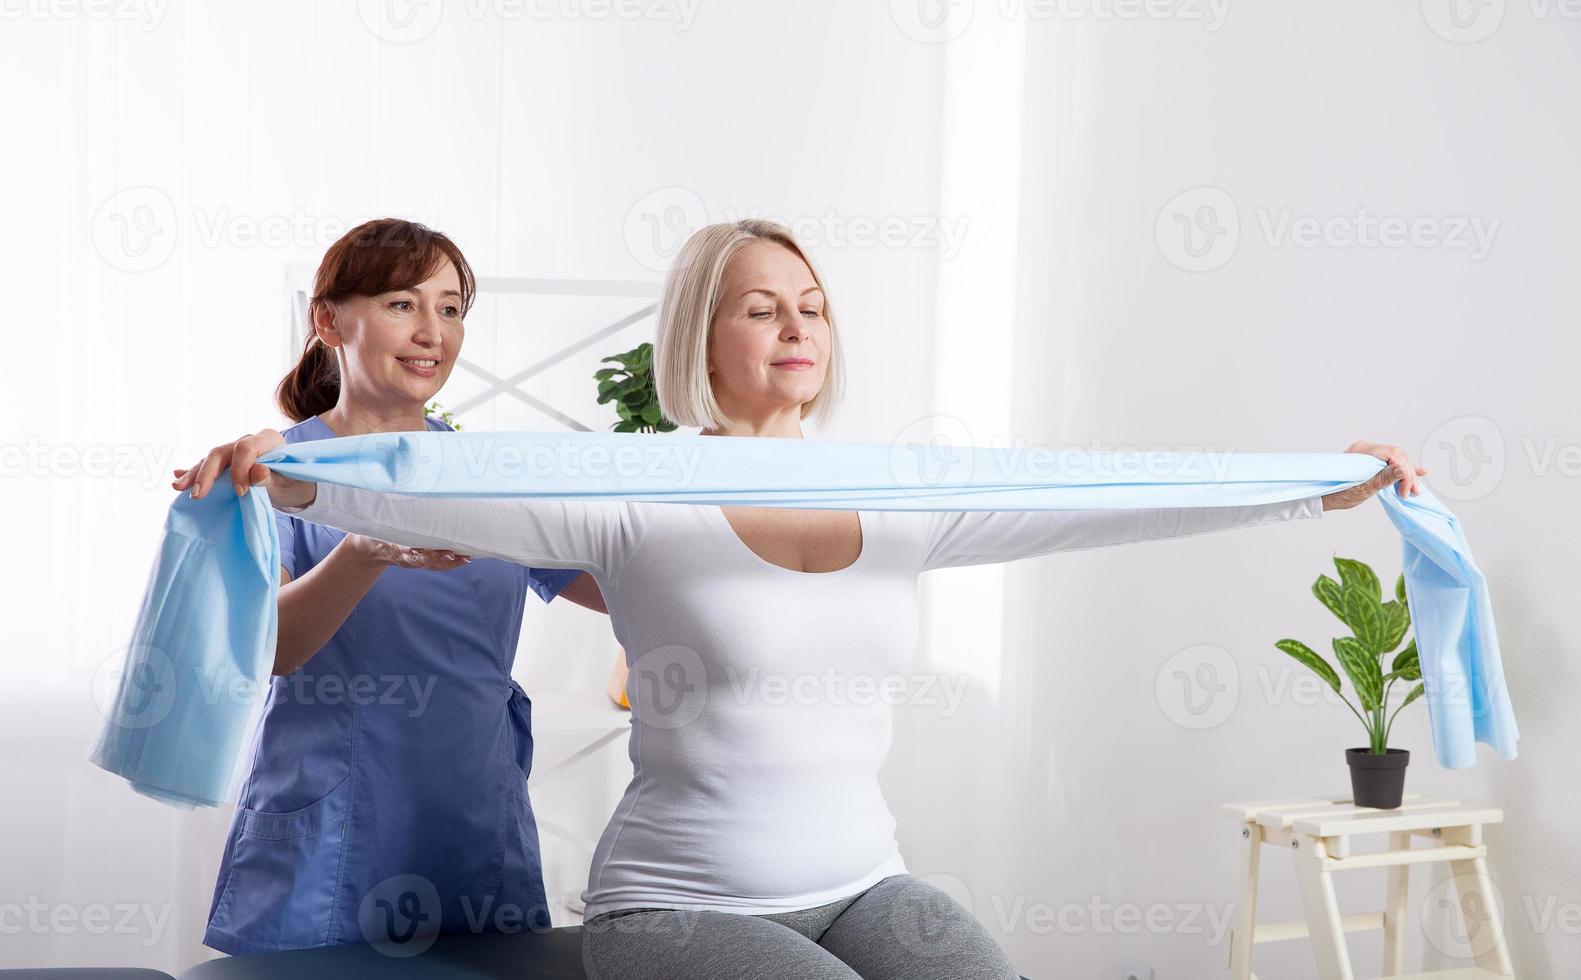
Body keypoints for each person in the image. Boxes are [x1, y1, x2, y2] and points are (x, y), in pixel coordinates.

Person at [181, 218, 1426, 977]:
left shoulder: (897, 491)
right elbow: (424, 493)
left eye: (814, 305)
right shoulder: (633, 491)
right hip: (675, 908)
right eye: (761, 306)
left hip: (865, 880)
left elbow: (1103, 498)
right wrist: (280, 473)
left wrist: (1311, 491)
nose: (797, 324)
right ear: (699, 337)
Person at [174, 218, 609, 954]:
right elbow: (268, 648)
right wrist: (364, 550)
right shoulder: (276, 473)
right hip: (331, 820)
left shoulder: (489, 480)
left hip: (474, 814)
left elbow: (624, 590)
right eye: (402, 304)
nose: (431, 331)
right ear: (328, 320)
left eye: (450, 308)